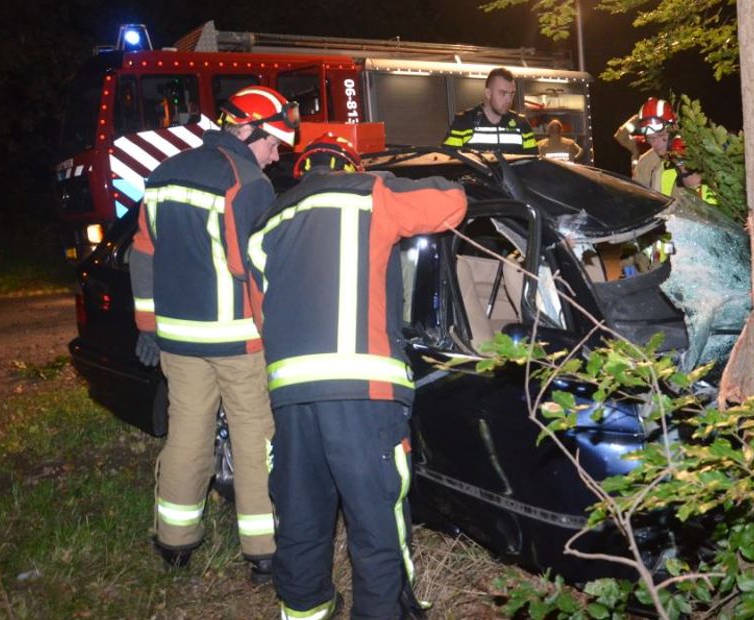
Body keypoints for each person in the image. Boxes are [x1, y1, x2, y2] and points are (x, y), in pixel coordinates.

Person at [247, 133, 468, 620]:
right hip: (363, 393)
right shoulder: (371, 193)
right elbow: (451, 202)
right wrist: (391, 177)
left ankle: (306, 611)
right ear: (352, 166)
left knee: (301, 516)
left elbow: (263, 312)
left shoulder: (267, 224)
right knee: (375, 522)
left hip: (290, 396)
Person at [129, 85, 298, 584]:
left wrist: (147, 325)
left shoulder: (162, 174)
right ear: (248, 129)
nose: (273, 158)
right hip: (237, 339)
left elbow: (142, 253)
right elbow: (256, 270)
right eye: (273, 145)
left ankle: (174, 542)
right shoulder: (247, 183)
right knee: (254, 437)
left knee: (186, 434)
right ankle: (264, 550)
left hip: (178, 341)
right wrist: (279, 335)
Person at [632, 98, 717, 205]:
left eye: (661, 135)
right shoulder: (645, 163)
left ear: (674, 127)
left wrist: (683, 166)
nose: (655, 144)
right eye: (650, 138)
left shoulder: (697, 152)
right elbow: (637, 201)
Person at [443, 67, 536, 154]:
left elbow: (534, 164)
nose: (509, 100)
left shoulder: (522, 125)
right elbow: (446, 160)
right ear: (488, 93)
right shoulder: (465, 122)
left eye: (512, 94)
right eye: (503, 93)